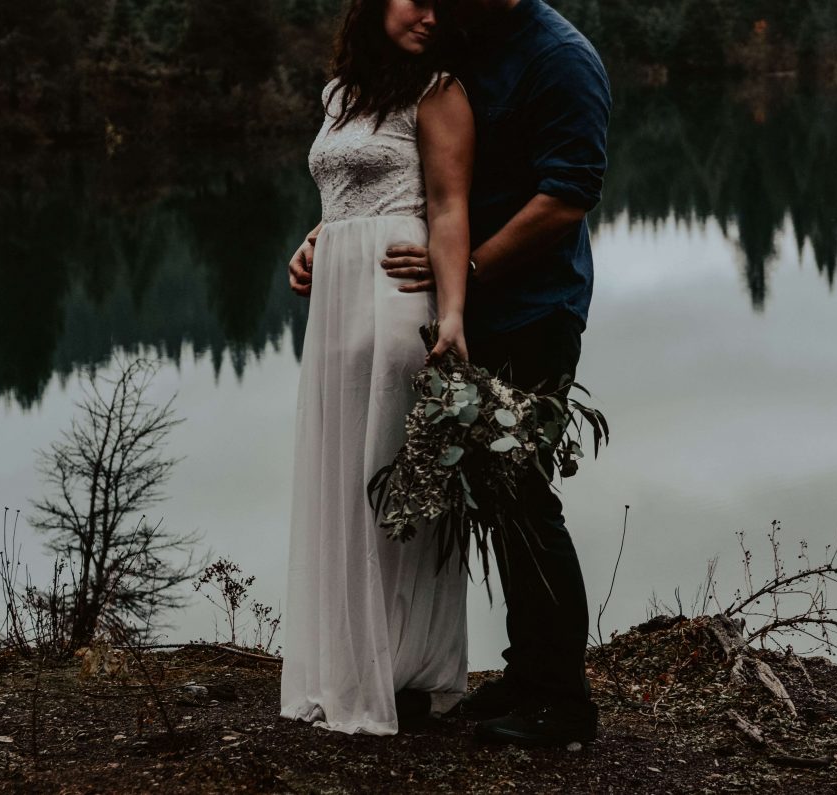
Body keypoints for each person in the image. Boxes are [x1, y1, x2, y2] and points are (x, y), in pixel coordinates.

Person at [293, 0, 612, 747]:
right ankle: (523, 674)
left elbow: (568, 195)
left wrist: (467, 267)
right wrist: (326, 235)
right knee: (489, 501)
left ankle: (562, 701)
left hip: (534, 308)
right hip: (460, 301)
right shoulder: (465, 42)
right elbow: (402, 167)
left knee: (523, 493)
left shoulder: (560, 56)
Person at [279, 0, 475, 736]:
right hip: (336, 297)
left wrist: (451, 313)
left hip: (399, 293)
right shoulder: (339, 95)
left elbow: (450, 208)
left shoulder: (440, 91)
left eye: (440, 4)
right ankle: (352, 660)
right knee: (340, 470)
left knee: (395, 479)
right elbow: (341, 194)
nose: (430, 13)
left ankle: (409, 666)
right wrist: (316, 238)